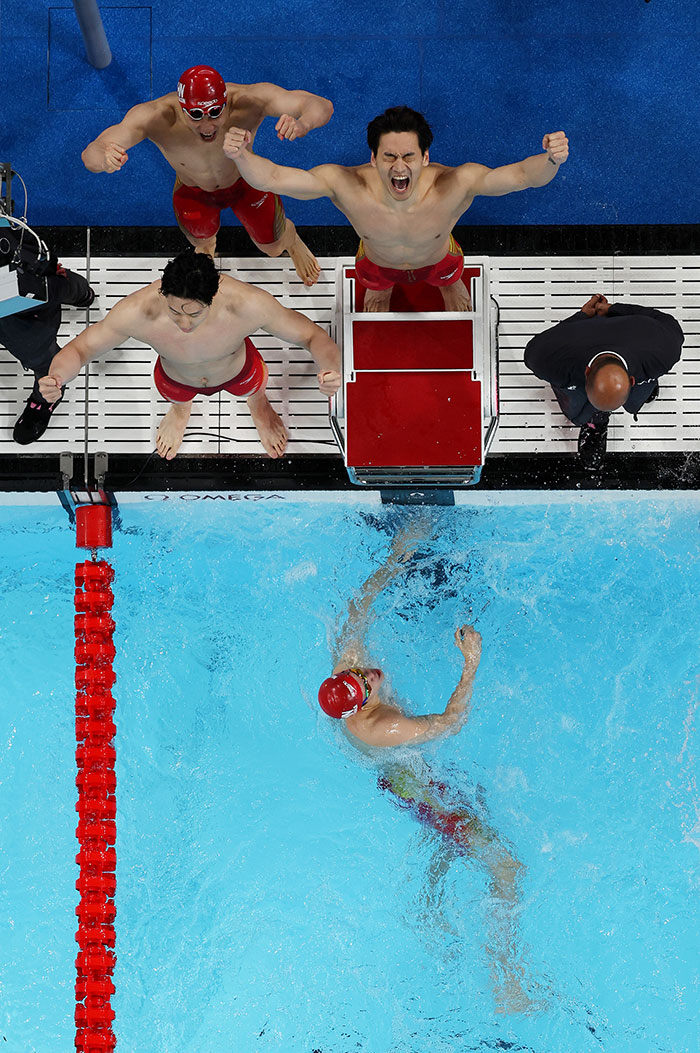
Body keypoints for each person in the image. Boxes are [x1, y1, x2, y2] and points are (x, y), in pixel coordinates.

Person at [318, 525, 533, 1013]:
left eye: (360, 674)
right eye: (367, 685)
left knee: (467, 831)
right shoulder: (386, 727)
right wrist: (470, 665)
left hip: (408, 776)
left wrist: (398, 554)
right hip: (416, 784)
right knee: (505, 865)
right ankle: (507, 982)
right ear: (360, 707)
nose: (371, 676)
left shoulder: (346, 668)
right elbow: (451, 723)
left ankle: (430, 905)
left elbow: (359, 604)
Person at [223, 105, 569, 312]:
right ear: (373, 158)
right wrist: (241, 155)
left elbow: (523, 176)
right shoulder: (344, 183)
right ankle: (382, 286)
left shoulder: (457, 183)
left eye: (409, 156)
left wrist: (551, 159)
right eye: (389, 156)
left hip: (439, 259)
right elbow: (270, 178)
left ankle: (448, 284)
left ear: (426, 157)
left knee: (448, 272)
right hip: (376, 263)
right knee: (373, 277)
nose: (399, 167)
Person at [38, 250, 340, 460]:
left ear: (212, 298)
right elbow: (80, 349)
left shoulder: (246, 305)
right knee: (178, 398)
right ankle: (180, 412)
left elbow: (312, 335)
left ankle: (259, 406)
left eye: (194, 314)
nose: (183, 324)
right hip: (175, 379)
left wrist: (330, 371)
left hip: (240, 370)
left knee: (254, 389)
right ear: (162, 294)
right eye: (174, 310)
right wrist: (57, 377)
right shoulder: (138, 311)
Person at [81, 65, 334, 286]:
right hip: (194, 192)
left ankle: (293, 240)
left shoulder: (250, 100)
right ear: (182, 109)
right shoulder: (156, 116)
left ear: (226, 102)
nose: (207, 126)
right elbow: (91, 153)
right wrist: (104, 158)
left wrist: (304, 123)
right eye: (196, 116)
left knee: (274, 247)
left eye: (215, 113)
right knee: (201, 241)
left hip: (247, 183)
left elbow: (319, 104)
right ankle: (207, 248)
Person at [524, 293, 684, 469]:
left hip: (637, 358)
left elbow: (662, 319)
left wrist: (590, 314)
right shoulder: (553, 360)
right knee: (578, 415)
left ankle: (603, 408)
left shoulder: (661, 351)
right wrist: (609, 310)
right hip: (583, 360)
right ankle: (596, 420)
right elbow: (661, 318)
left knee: (633, 402)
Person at [0, 253, 95, 445]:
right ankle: (77, 290)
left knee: (41, 357)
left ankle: (44, 397)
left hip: (14, 295)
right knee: (53, 283)